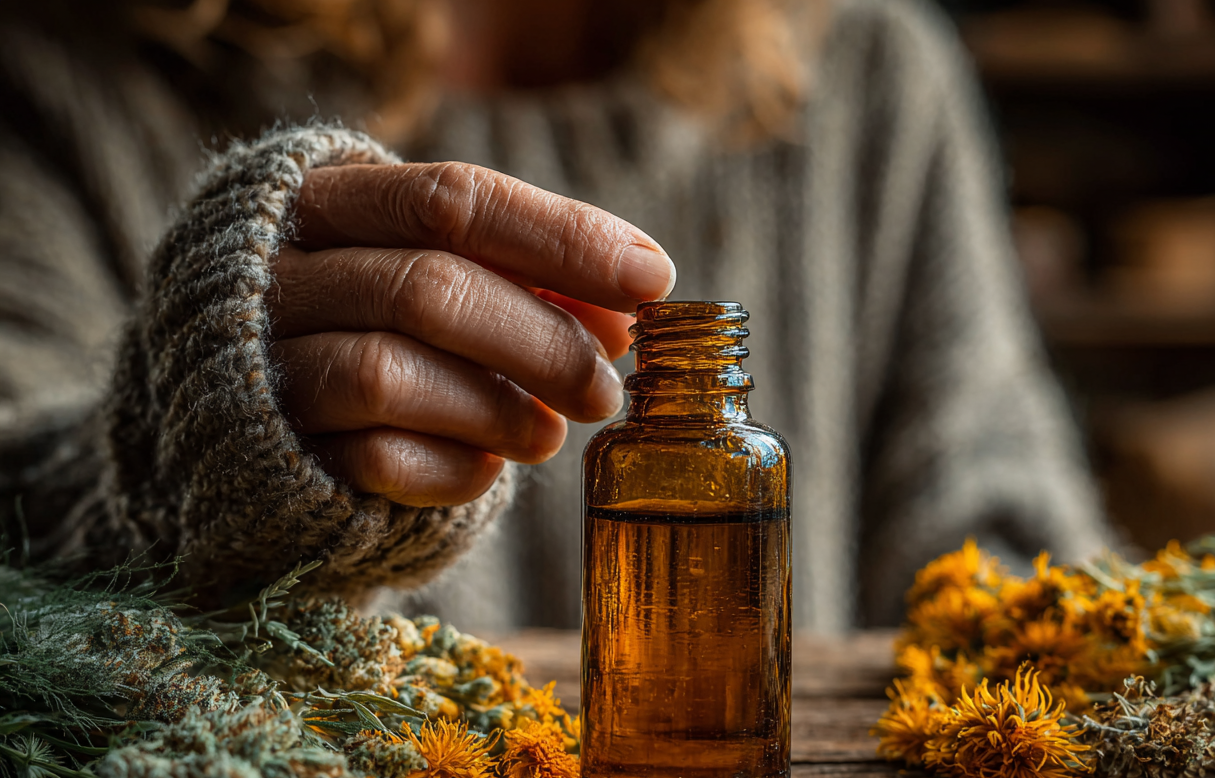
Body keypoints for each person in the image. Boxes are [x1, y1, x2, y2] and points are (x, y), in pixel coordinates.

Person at [0, 0, 1106, 633]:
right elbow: (21, 508)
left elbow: (1006, 552)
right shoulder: (63, 64)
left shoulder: (870, 68)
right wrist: (182, 430)